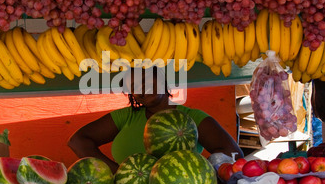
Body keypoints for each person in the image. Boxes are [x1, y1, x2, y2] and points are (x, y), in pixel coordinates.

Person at [67, 65, 243, 173]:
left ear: (162, 79)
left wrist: (194, 168)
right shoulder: (124, 117)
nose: (143, 87)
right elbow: (77, 141)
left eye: (147, 79)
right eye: (134, 86)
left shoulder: (192, 117)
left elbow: (234, 155)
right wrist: (118, 172)